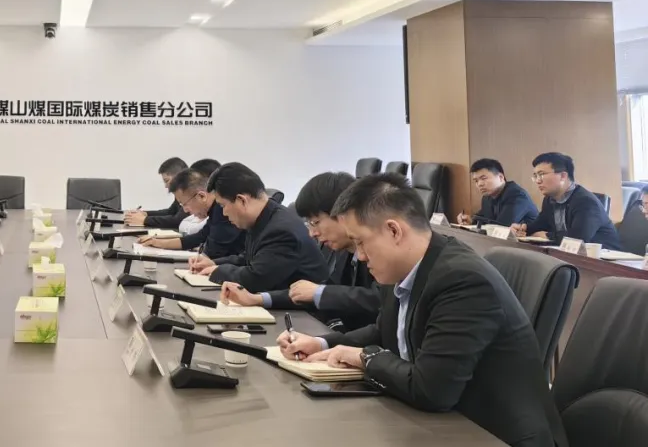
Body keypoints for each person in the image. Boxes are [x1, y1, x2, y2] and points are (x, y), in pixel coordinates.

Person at [280, 173, 567, 447]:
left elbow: (432, 390)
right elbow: (383, 331)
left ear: (394, 230)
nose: (360, 255)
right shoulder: (404, 267)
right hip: (444, 421)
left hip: (492, 433)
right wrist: (321, 344)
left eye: (361, 242)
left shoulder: (461, 280)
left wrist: (365, 357)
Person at [221, 172, 378, 331]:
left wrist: (319, 292)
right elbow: (317, 291)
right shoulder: (344, 251)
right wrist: (257, 299)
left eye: (315, 222)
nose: (312, 233)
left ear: (343, 215)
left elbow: (378, 299)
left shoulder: (377, 251)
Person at [188, 163, 327, 293]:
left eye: (223, 206)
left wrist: (217, 271)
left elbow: (255, 279)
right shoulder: (265, 217)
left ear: (242, 200)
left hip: (297, 308)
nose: (223, 213)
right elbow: (249, 258)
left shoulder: (281, 230)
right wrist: (213, 263)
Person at [512, 152, 622, 250]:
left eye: (541, 175)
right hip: (570, 255)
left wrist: (548, 236)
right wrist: (523, 229)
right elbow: (540, 225)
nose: (537, 181)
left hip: (605, 259)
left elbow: (579, 238)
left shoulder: (586, 202)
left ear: (563, 176)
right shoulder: (550, 199)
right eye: (535, 176)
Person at [137, 162, 244, 259]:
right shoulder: (214, 210)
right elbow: (198, 237)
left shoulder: (222, 211)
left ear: (201, 196)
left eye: (185, 204)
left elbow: (212, 253)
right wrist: (158, 243)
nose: (185, 210)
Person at [457, 158, 538, 227]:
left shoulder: (517, 195)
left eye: (483, 178)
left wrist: (478, 222)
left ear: (501, 177)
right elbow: (483, 218)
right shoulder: (487, 198)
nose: (479, 184)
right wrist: (471, 220)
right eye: (476, 181)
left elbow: (502, 226)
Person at [124, 157, 188, 229]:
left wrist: (145, 220)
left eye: (167, 181)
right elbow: (170, 212)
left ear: (179, 177)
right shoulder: (180, 193)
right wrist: (145, 214)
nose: (166, 186)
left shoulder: (189, 193)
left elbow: (177, 221)